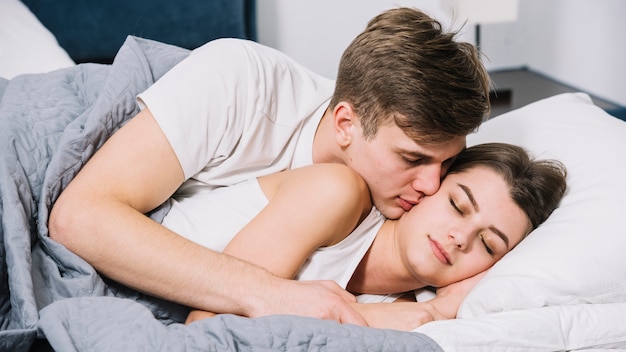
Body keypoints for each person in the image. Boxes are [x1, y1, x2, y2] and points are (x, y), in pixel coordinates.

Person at [48, 7, 490, 327]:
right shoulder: (241, 83)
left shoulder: (403, 201)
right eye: (412, 158)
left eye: (447, 162)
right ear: (345, 124)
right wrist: (268, 292)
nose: (433, 184)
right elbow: (79, 216)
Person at [182, 142, 567, 329]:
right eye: (458, 205)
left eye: (488, 244)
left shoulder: (407, 309)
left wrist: (433, 311)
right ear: (431, 185)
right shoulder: (336, 194)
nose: (460, 238)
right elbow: (206, 326)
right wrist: (422, 313)